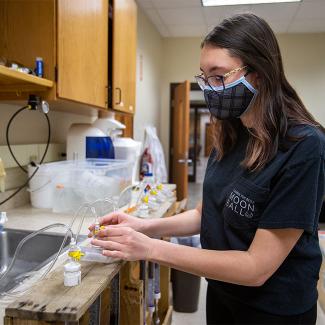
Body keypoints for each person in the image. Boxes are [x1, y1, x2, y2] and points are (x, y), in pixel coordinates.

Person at [89, 13, 325, 325]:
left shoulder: (303, 146)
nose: (211, 89)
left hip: (272, 309)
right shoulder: (231, 133)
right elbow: (206, 214)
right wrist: (142, 226)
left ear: (259, 73)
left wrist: (150, 249)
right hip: (223, 293)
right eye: (205, 76)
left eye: (219, 75)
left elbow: (257, 268)